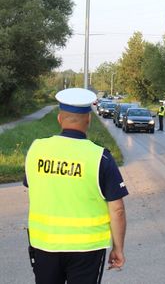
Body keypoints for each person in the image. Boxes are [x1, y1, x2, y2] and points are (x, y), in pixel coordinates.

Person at [24, 87, 128, 284]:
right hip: (86, 249)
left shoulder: (36, 149)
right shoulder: (100, 157)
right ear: (88, 120)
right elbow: (117, 209)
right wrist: (118, 248)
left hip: (45, 244)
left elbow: (36, 186)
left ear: (59, 118)